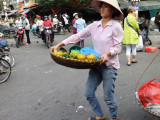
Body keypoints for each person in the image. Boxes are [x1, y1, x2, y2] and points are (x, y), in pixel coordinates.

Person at [51, 0, 124, 119]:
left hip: (109, 66)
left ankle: (114, 117)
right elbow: (78, 36)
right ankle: (100, 115)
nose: (102, 9)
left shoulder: (116, 26)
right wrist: (60, 44)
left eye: (106, 7)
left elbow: (118, 47)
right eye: (101, 7)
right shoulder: (94, 25)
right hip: (95, 64)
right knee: (89, 93)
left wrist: (108, 53)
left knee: (108, 96)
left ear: (113, 10)